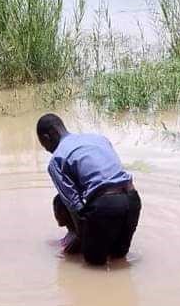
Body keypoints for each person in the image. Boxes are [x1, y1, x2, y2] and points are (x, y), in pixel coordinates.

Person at [37, 113, 142, 266]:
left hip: (106, 205)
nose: (47, 150)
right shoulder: (97, 139)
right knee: (118, 260)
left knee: (94, 267)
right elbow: (107, 175)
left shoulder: (57, 159)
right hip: (132, 200)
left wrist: (81, 238)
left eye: (44, 145)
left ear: (48, 137)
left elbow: (74, 205)